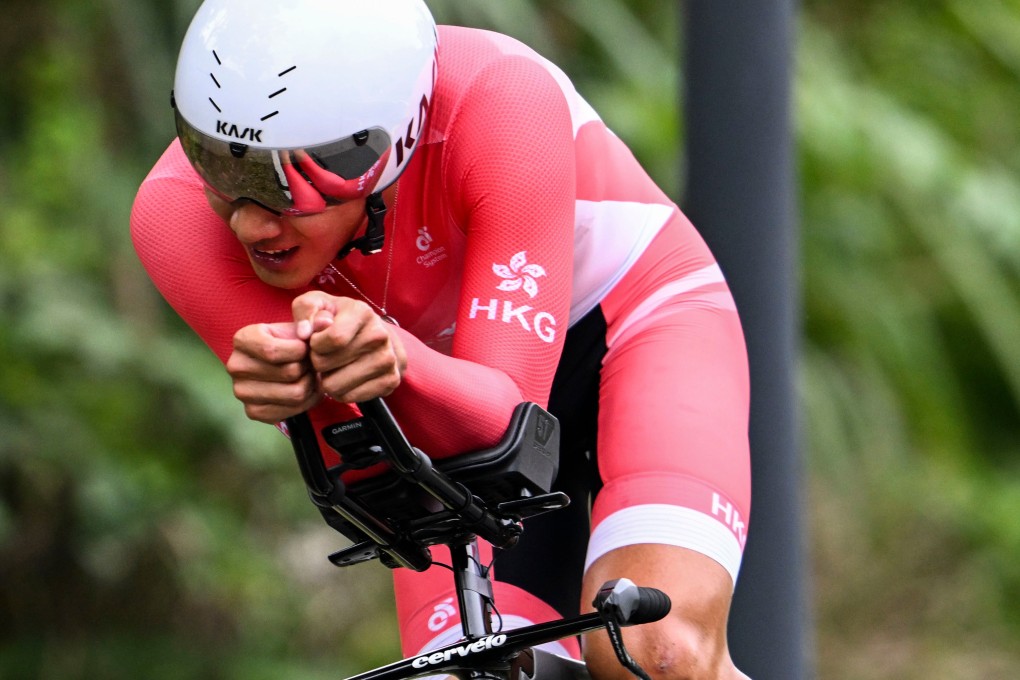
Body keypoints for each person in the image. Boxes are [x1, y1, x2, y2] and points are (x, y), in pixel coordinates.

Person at [131, 1, 752, 678]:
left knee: (652, 653)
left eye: (286, 182)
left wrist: (397, 362)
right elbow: (376, 485)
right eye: (221, 168)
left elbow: (511, 432)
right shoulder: (176, 216)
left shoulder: (499, 95)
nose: (251, 224)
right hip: (444, 397)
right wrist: (307, 390)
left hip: (635, 327)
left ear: (381, 144)